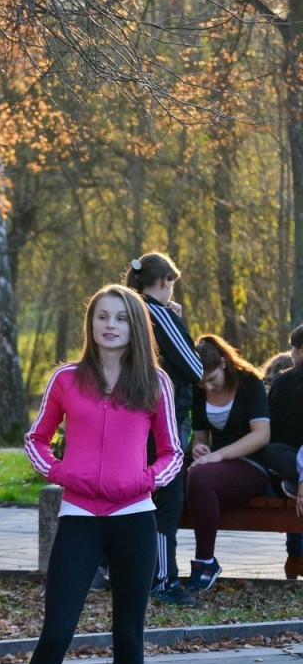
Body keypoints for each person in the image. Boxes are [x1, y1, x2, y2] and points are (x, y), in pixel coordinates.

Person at [0, 284, 182, 664]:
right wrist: (62, 473)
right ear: (91, 323)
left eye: (120, 318)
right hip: (79, 516)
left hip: (134, 518)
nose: (110, 325)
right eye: (102, 316)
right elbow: (36, 440)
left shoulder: (155, 383)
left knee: (128, 635)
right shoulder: (66, 379)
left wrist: (145, 480)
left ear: (135, 327)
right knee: (57, 632)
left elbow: (173, 452)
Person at [125, 253, 203, 607]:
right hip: (162, 421)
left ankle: (123, 572)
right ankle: (162, 580)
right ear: (163, 281)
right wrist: (175, 321)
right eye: (172, 282)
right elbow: (194, 368)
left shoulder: (125, 312)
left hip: (127, 418)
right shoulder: (156, 313)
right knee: (165, 501)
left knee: (132, 497)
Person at [185, 334, 270, 591]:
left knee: (200, 477)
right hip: (216, 466)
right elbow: (201, 436)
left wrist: (219, 455)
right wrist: (199, 448)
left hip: (251, 464)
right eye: (202, 383)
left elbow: (261, 435)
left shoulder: (249, 382)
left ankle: (205, 562)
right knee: (174, 476)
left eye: (212, 379)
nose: (208, 388)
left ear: (223, 363)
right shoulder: (200, 391)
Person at [261, 325, 303, 578]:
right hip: (290, 462)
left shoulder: (284, 380)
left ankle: (296, 555)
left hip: (286, 460)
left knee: (275, 455)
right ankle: (296, 556)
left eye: (293, 348)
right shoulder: (285, 380)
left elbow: (271, 426)